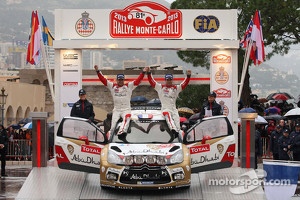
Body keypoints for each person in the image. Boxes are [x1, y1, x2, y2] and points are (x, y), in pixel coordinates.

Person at [94, 65, 146, 135]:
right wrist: (98, 71)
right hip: (117, 110)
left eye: (122, 80)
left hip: (126, 109)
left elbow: (138, 81)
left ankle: (122, 131)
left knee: (127, 117)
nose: (120, 81)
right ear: (117, 80)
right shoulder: (112, 86)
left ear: (123, 80)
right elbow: (103, 80)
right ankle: (110, 138)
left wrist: (143, 72)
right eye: (119, 80)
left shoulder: (128, 86)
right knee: (112, 127)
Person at [146, 67, 191, 135]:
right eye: (167, 79)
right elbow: (152, 82)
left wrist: (188, 76)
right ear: (165, 80)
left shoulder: (176, 88)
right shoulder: (160, 87)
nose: (169, 81)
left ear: (172, 80)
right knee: (167, 115)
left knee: (178, 125)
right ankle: (173, 129)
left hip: (174, 110)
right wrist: (149, 73)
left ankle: (177, 133)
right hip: (165, 109)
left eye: (170, 79)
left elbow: (184, 84)